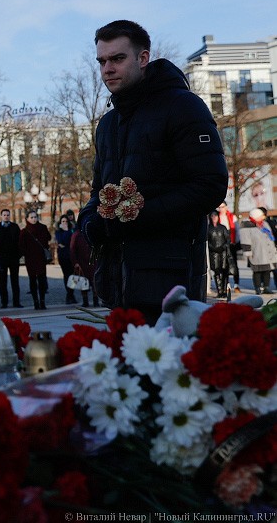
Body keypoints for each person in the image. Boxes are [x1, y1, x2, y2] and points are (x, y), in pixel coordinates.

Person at [78, 20, 227, 322]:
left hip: (170, 281)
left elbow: (209, 185)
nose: (107, 68)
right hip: (117, 281)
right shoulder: (107, 124)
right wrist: (90, 221)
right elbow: (99, 190)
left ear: (142, 58)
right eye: (102, 61)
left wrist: (134, 219)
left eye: (117, 59)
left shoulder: (183, 106)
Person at [19, 210, 51, 310]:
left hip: (40, 257)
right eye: (31, 217)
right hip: (30, 258)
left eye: (35, 217)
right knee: (32, 280)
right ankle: (35, 302)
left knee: (42, 279)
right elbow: (21, 245)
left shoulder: (43, 228)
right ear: (27, 219)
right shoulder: (24, 231)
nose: (34, 219)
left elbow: (48, 239)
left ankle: (42, 301)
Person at [240, 208, 277, 294]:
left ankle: (266, 287)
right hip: (257, 252)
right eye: (261, 216)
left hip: (268, 252)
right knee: (257, 271)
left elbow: (270, 235)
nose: (264, 217)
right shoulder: (247, 225)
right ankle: (258, 287)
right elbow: (245, 240)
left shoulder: (264, 224)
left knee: (267, 270)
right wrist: (248, 252)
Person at [0, 208, 22, 308]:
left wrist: (18, 255)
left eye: (8, 215)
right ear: (1, 216)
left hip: (13, 258)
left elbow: (19, 242)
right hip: (1, 259)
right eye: (4, 215)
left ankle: (16, 302)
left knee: (15, 281)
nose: (6, 216)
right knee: (2, 282)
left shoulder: (15, 227)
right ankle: (4, 302)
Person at [216, 201, 241, 292]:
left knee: (234, 264)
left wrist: (236, 241)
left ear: (226, 207)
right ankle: (226, 284)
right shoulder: (217, 217)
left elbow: (237, 230)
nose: (221, 209)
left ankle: (236, 284)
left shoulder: (232, 217)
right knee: (223, 265)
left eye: (222, 207)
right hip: (221, 244)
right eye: (219, 207)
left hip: (231, 243)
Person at [207, 211, 232, 299]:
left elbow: (228, 239)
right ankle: (220, 291)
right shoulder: (208, 228)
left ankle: (225, 291)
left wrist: (223, 247)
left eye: (216, 216)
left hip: (223, 253)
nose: (214, 217)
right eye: (212, 216)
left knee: (224, 272)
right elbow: (207, 241)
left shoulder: (223, 227)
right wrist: (213, 248)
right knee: (217, 272)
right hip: (213, 254)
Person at [69, 229, 98, 308]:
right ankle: (85, 301)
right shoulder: (77, 234)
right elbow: (72, 249)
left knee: (94, 281)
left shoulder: (92, 232)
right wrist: (75, 262)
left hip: (93, 261)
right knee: (83, 282)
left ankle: (96, 301)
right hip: (82, 262)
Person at [54, 215, 78, 305]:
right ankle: (69, 295)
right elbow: (61, 241)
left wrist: (67, 231)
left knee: (72, 275)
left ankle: (71, 294)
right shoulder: (58, 231)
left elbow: (72, 241)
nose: (64, 223)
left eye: (66, 221)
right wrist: (65, 232)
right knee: (66, 275)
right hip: (63, 256)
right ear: (60, 223)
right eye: (63, 221)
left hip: (71, 255)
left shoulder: (72, 230)